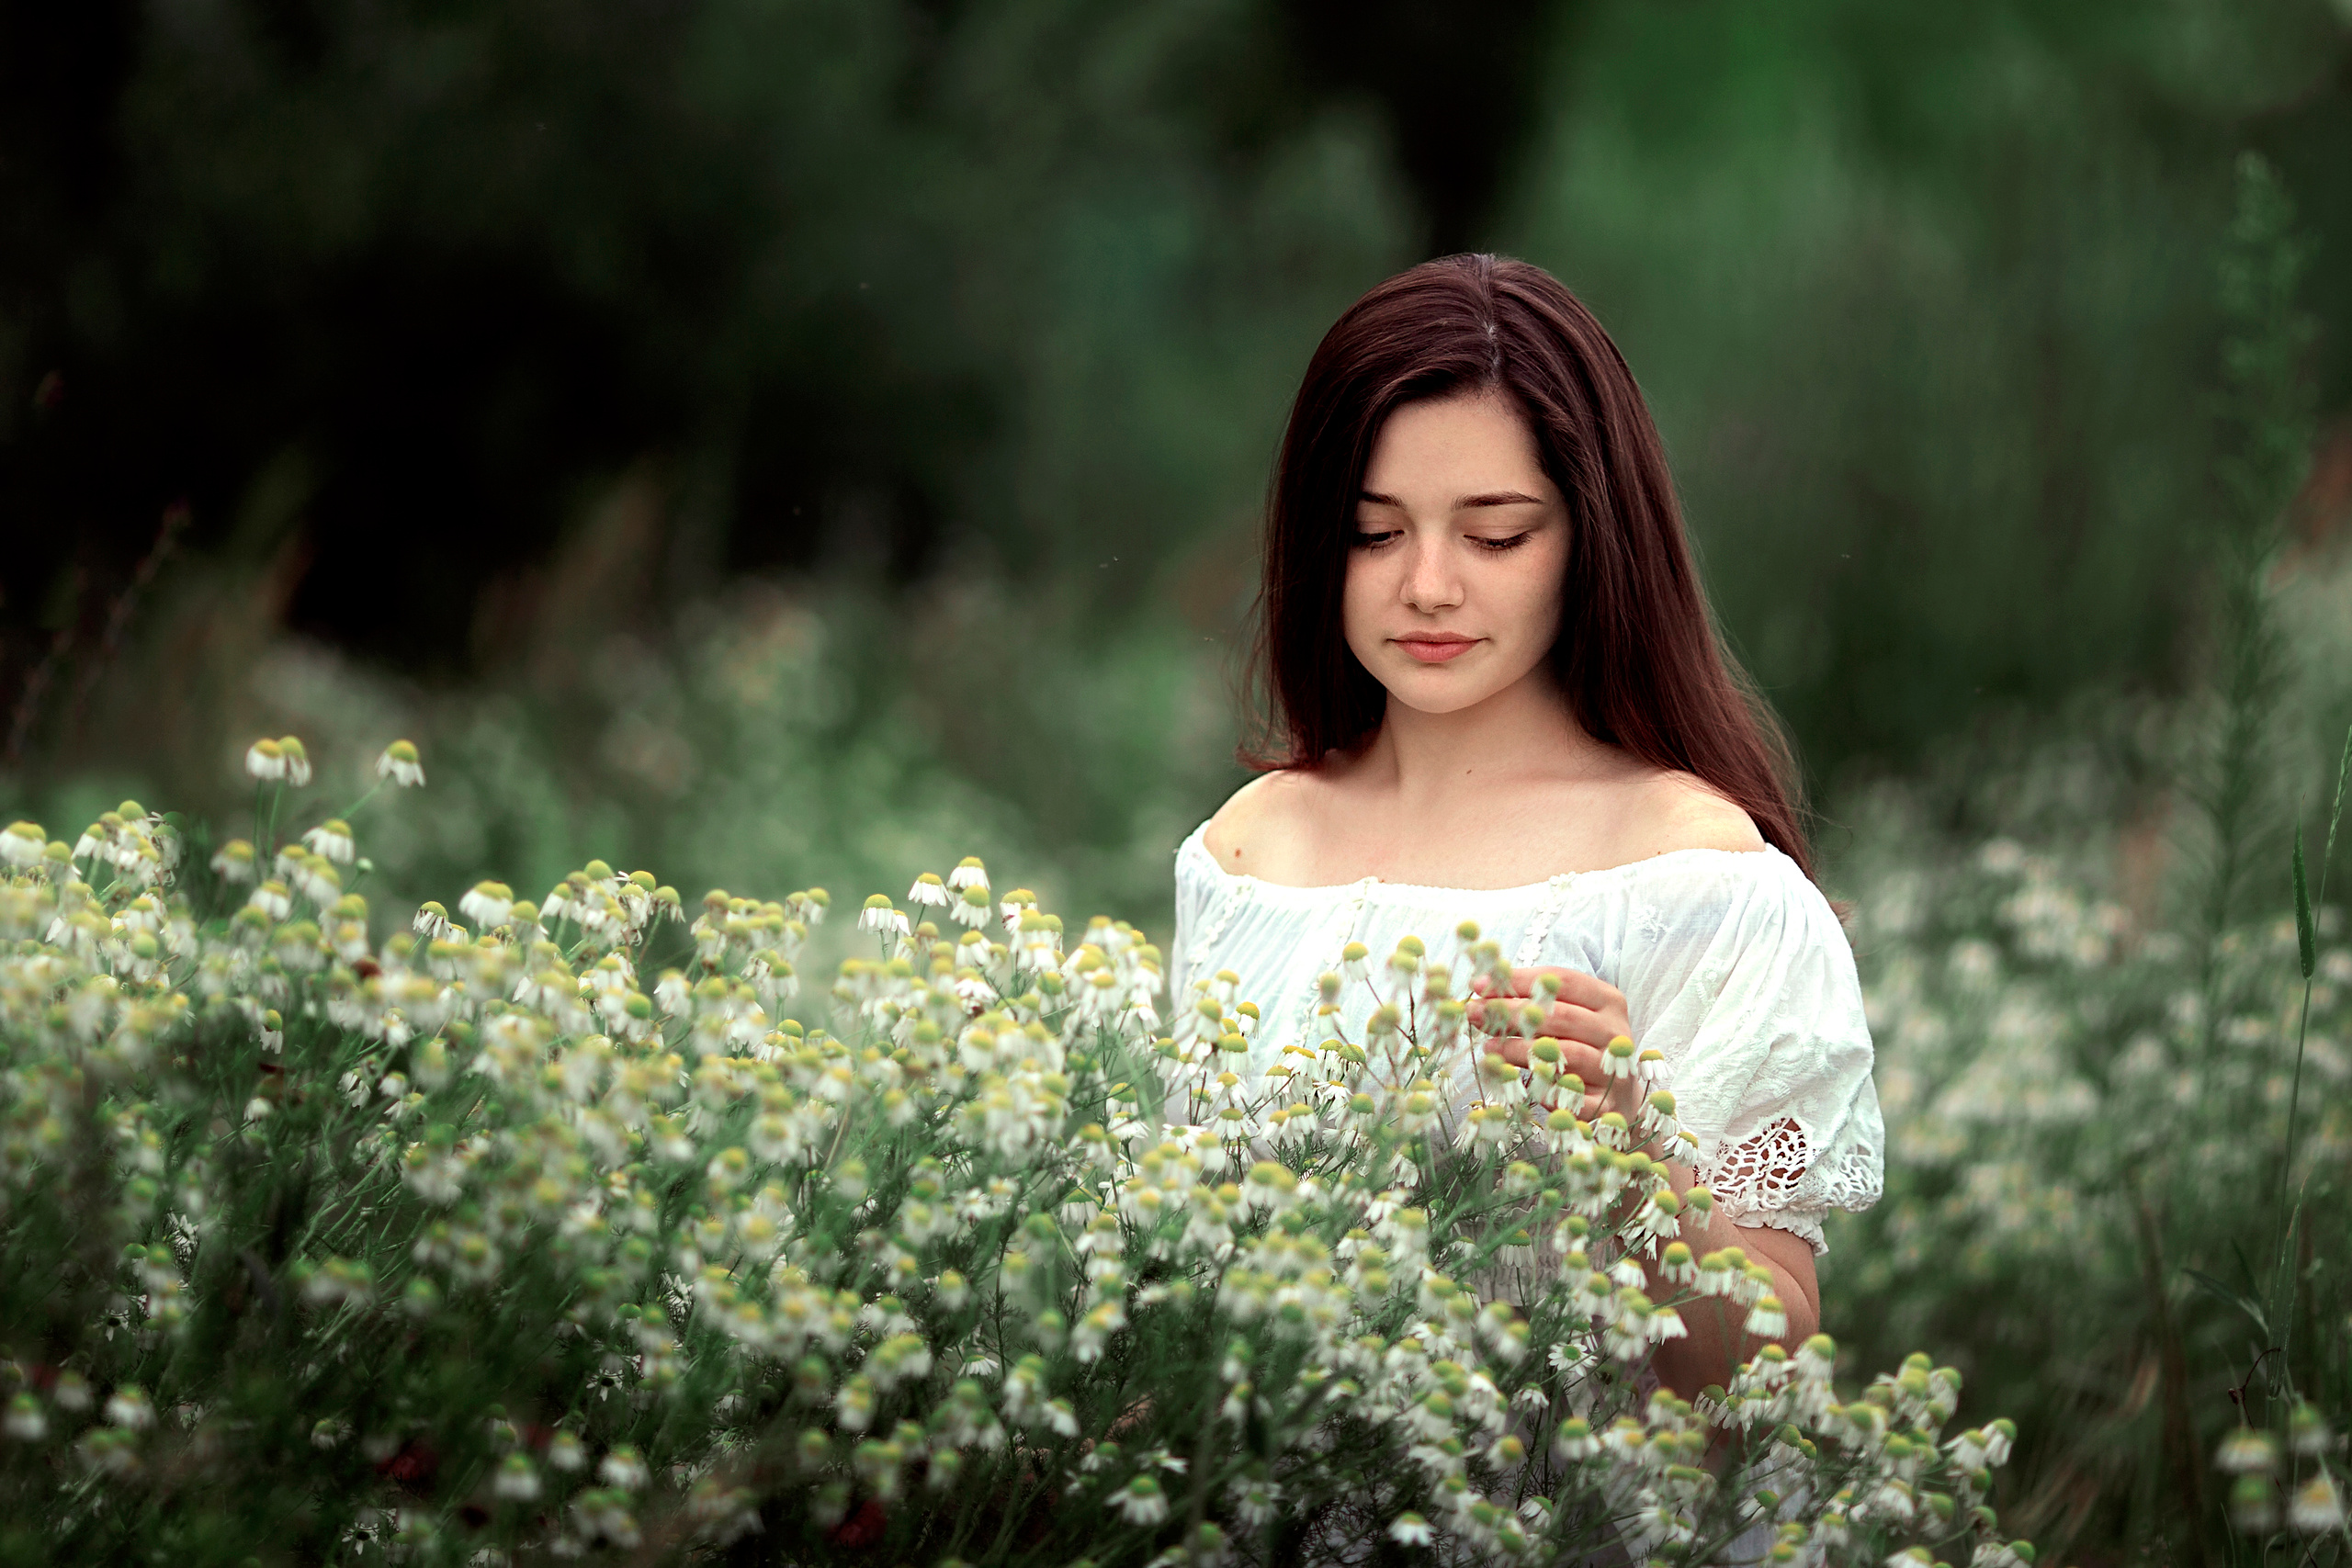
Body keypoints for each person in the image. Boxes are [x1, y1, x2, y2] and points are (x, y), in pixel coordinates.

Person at [1167, 254, 1881, 1397]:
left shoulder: (1698, 875)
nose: (1430, 585)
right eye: (1373, 532)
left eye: (1494, 535)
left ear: (1590, 538)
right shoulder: (1249, 854)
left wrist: (1630, 1157)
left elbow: (1769, 1356)